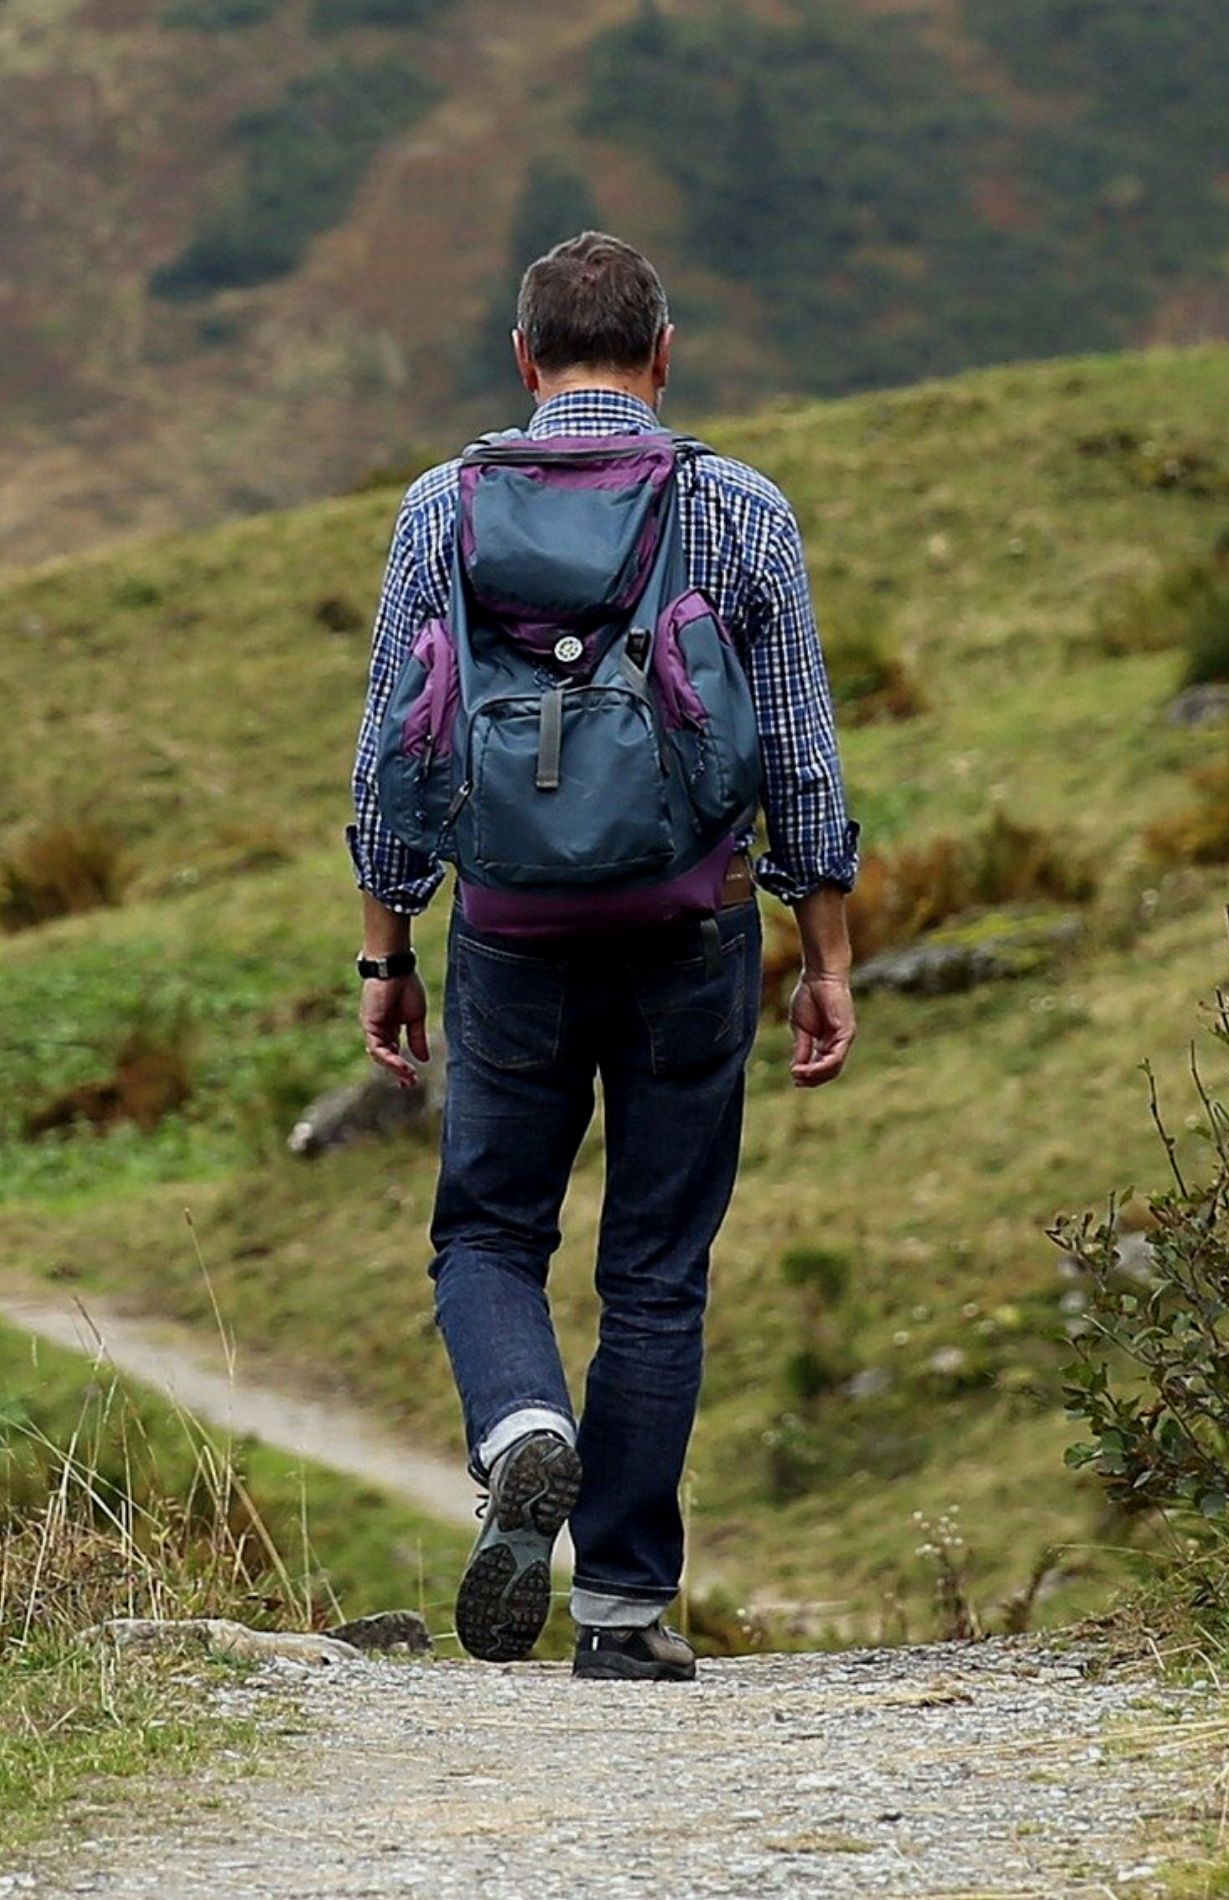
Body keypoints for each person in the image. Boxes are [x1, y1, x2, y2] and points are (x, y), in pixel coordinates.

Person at [346, 232, 859, 1682]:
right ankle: (624, 1609)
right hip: (692, 928)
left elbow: (397, 744)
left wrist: (387, 946)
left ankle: (523, 1428)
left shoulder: (441, 511)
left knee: (489, 1230)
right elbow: (805, 757)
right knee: (656, 1265)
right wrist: (825, 953)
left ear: (523, 360)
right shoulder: (739, 509)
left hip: (508, 933)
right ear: (663, 353)